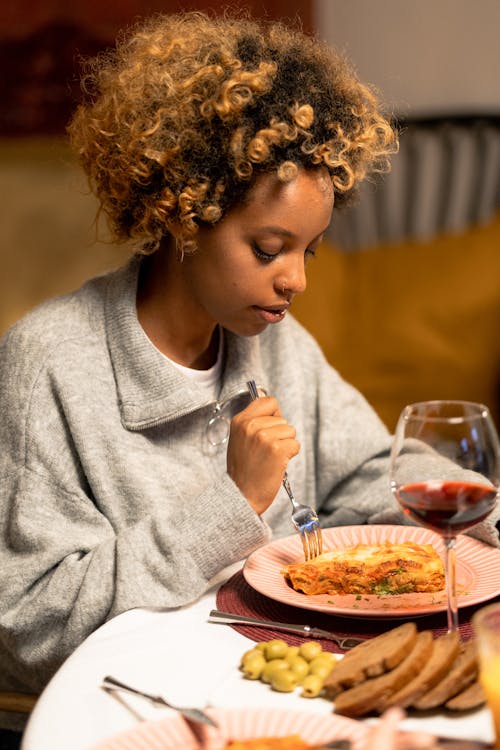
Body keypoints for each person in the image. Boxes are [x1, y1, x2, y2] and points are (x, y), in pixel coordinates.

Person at [1, 10, 499, 744]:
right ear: (183, 214)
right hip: (122, 711)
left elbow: (371, 474)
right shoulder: (48, 365)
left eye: (310, 251)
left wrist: (485, 513)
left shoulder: (275, 342)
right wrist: (234, 503)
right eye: (269, 249)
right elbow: (32, 623)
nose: (295, 280)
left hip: (264, 694)